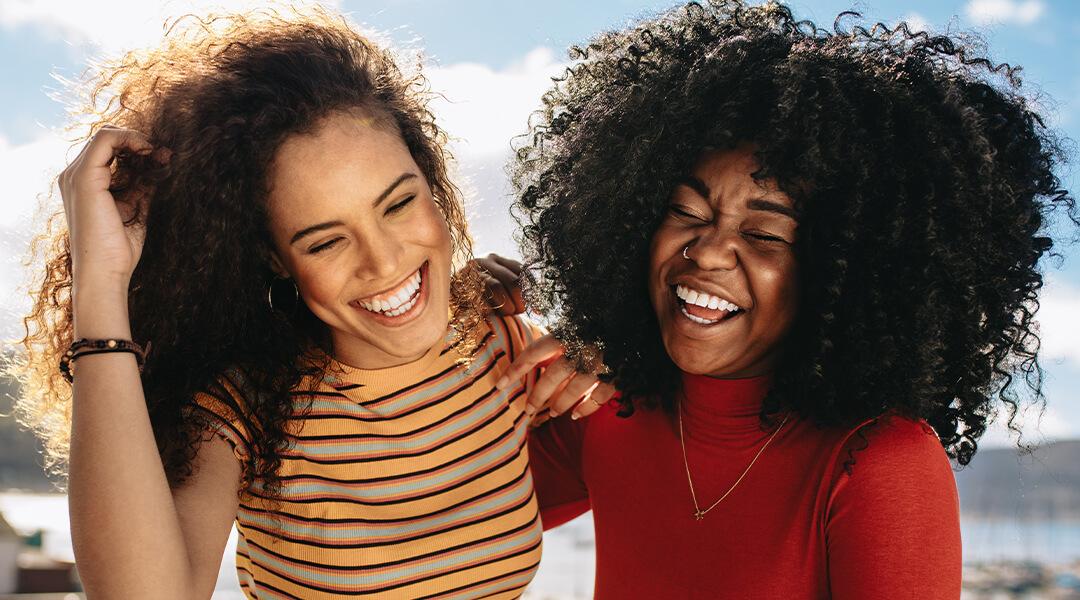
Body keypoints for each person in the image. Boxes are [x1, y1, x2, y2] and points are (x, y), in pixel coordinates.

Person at [505, 1, 1077, 598]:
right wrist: (472, 312)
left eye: (762, 236)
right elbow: (427, 520)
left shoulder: (878, 462)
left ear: (843, 273)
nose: (707, 253)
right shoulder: (605, 411)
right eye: (685, 211)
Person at [11, 8, 554, 599]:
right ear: (274, 259)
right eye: (324, 241)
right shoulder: (242, 408)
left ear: (431, 181)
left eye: (398, 204)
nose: (383, 261)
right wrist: (101, 280)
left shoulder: (500, 333)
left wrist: (598, 344)